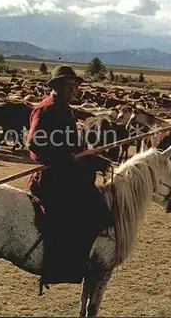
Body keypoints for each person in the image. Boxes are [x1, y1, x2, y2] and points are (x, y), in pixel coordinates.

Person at [26, 65, 112, 285]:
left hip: (68, 175)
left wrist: (96, 161)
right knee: (90, 210)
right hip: (53, 180)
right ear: (58, 86)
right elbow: (34, 142)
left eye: (76, 85)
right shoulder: (45, 109)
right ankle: (61, 267)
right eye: (71, 85)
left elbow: (75, 148)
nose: (76, 89)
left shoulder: (65, 109)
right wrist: (65, 158)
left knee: (100, 208)